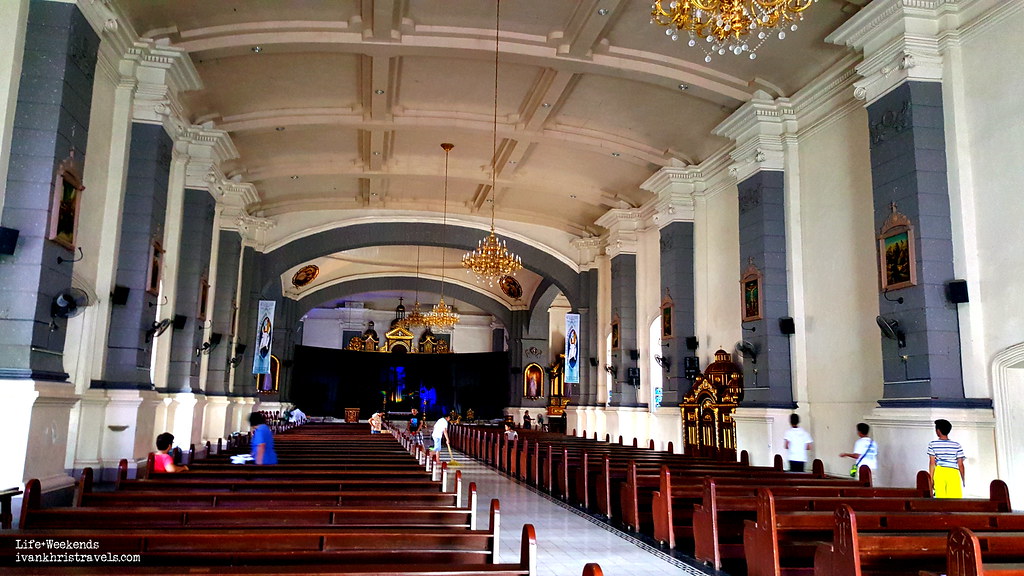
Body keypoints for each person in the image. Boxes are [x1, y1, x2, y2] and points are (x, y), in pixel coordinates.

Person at [928, 418, 966, 498]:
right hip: (953, 472)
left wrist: (931, 480)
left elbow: (932, 463)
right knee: (954, 499)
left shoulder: (932, 444)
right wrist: (963, 478)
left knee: (940, 498)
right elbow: (960, 464)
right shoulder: (957, 445)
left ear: (938, 431)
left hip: (940, 472)